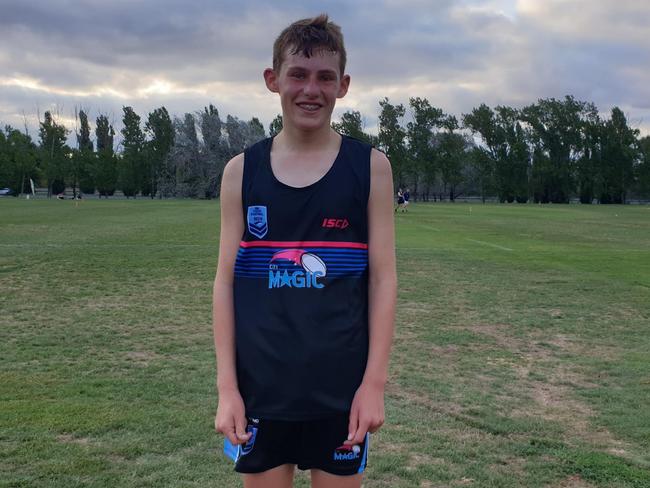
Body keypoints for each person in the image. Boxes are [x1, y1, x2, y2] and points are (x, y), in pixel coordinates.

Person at [212, 14, 396, 488]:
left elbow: (383, 279)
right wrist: (227, 389)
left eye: (324, 77)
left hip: (340, 395)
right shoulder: (241, 171)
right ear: (273, 80)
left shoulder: (371, 168)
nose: (310, 89)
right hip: (261, 394)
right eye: (298, 74)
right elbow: (225, 282)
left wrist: (373, 385)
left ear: (343, 85)